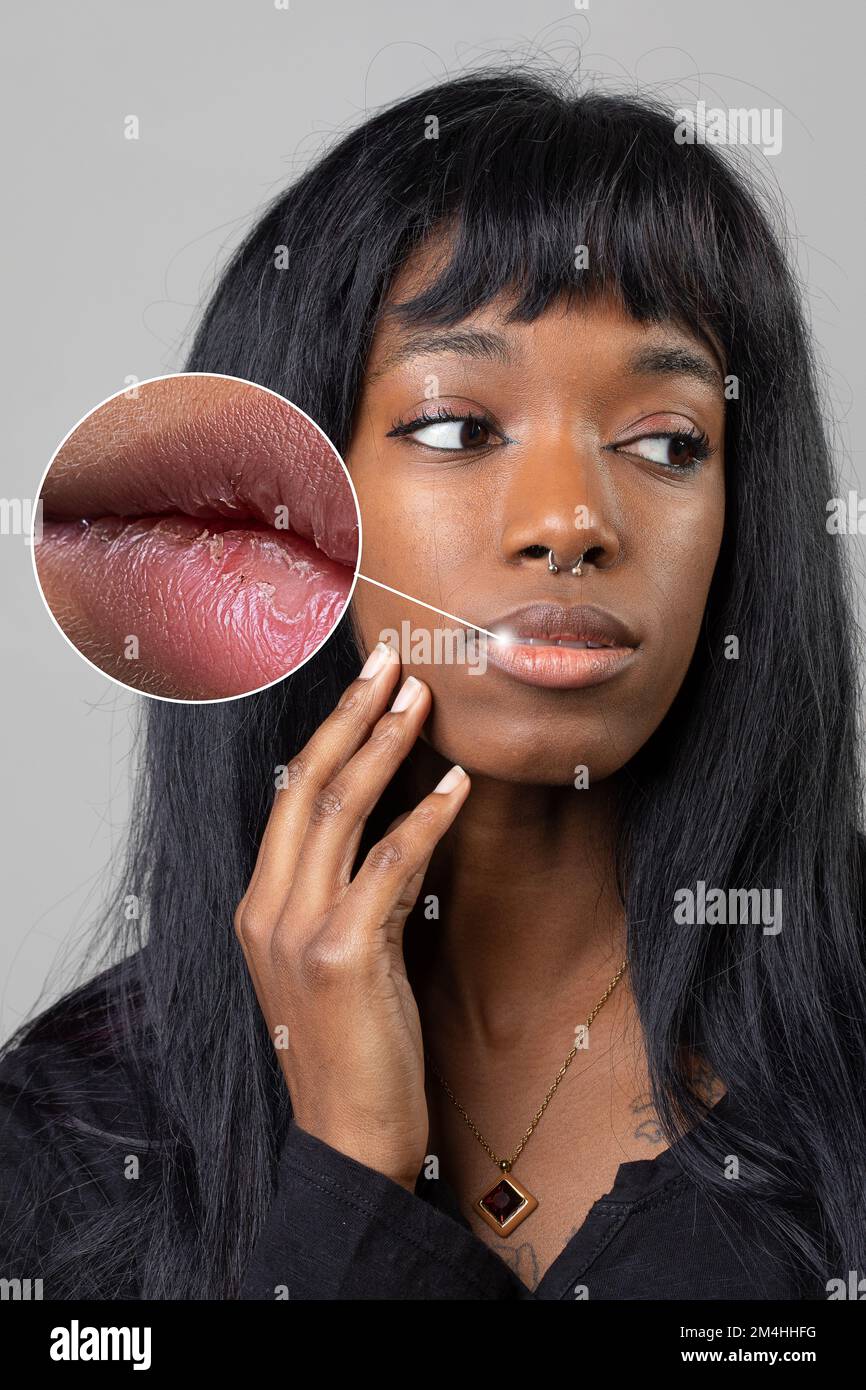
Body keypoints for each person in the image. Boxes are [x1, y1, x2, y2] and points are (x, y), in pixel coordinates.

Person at [2, 67, 863, 1301]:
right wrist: (345, 1174)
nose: (571, 521)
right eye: (458, 428)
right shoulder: (69, 1137)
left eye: (666, 442)